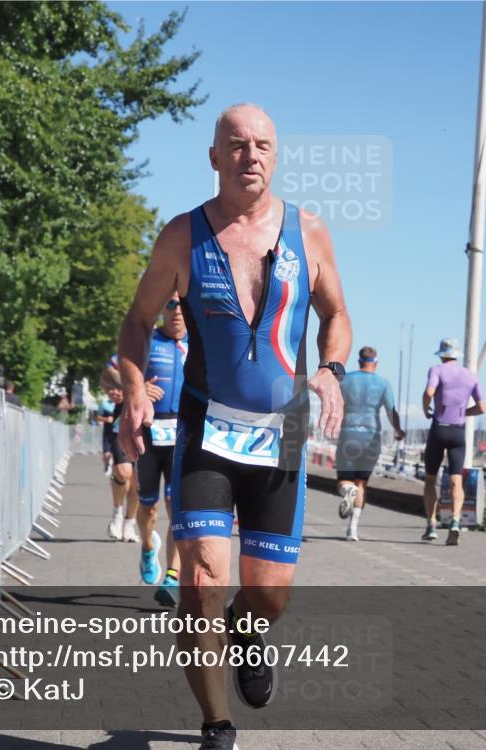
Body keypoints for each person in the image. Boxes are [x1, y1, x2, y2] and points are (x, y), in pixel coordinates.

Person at [117, 103, 350, 750]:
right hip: (206, 427)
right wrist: (135, 390)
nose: (252, 155)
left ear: (276, 156)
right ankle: (217, 725)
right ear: (215, 156)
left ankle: (250, 633)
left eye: (264, 145)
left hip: (286, 433)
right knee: (199, 582)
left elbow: (336, 315)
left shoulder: (309, 232)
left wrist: (331, 369)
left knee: (270, 596)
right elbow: (136, 323)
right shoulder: (181, 236)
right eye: (238, 144)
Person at [135, 295, 188, 607]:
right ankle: (146, 546)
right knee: (149, 508)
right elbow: (111, 372)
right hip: (150, 435)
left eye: (182, 304)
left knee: (177, 506)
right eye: (169, 304)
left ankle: (171, 576)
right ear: (162, 310)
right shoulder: (148, 340)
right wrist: (136, 388)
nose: (177, 310)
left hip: (182, 435)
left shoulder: (198, 344)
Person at [335, 346, 404, 541]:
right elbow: (391, 411)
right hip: (371, 435)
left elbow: (335, 403)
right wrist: (398, 431)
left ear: (359, 361)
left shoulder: (345, 379)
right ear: (376, 362)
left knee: (345, 480)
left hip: (349, 433)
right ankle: (352, 530)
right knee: (362, 483)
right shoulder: (383, 383)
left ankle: (348, 490)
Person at [421, 338, 485, 546]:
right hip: (458, 431)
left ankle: (431, 524)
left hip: (439, 428)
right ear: (457, 355)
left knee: (431, 479)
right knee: (457, 479)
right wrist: (464, 412)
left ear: (441, 354)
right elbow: (482, 408)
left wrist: (426, 408)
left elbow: (429, 392)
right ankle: (456, 521)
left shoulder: (437, 370)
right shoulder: (471, 376)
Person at [98, 369, 140, 542]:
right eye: (110, 390)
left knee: (137, 484)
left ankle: (130, 523)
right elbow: (108, 428)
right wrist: (106, 448)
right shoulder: (112, 406)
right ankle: (117, 514)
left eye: (117, 389)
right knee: (123, 472)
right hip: (120, 435)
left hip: (143, 434)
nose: (114, 393)